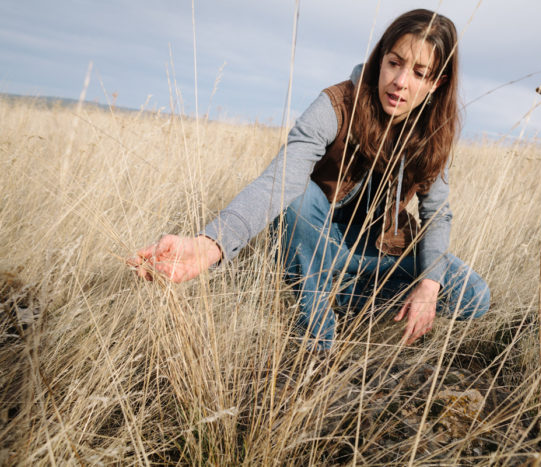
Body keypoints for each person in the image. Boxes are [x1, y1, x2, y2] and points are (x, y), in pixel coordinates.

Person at [130, 9, 490, 351]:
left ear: (435, 83)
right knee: (299, 200)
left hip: (374, 252)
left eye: (418, 72)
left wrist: (428, 286)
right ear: (380, 59)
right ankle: (317, 340)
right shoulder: (336, 105)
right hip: (314, 239)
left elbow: (437, 213)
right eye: (394, 63)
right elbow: (280, 180)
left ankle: (339, 291)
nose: (399, 81)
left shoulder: (432, 132)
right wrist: (211, 244)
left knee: (473, 296)